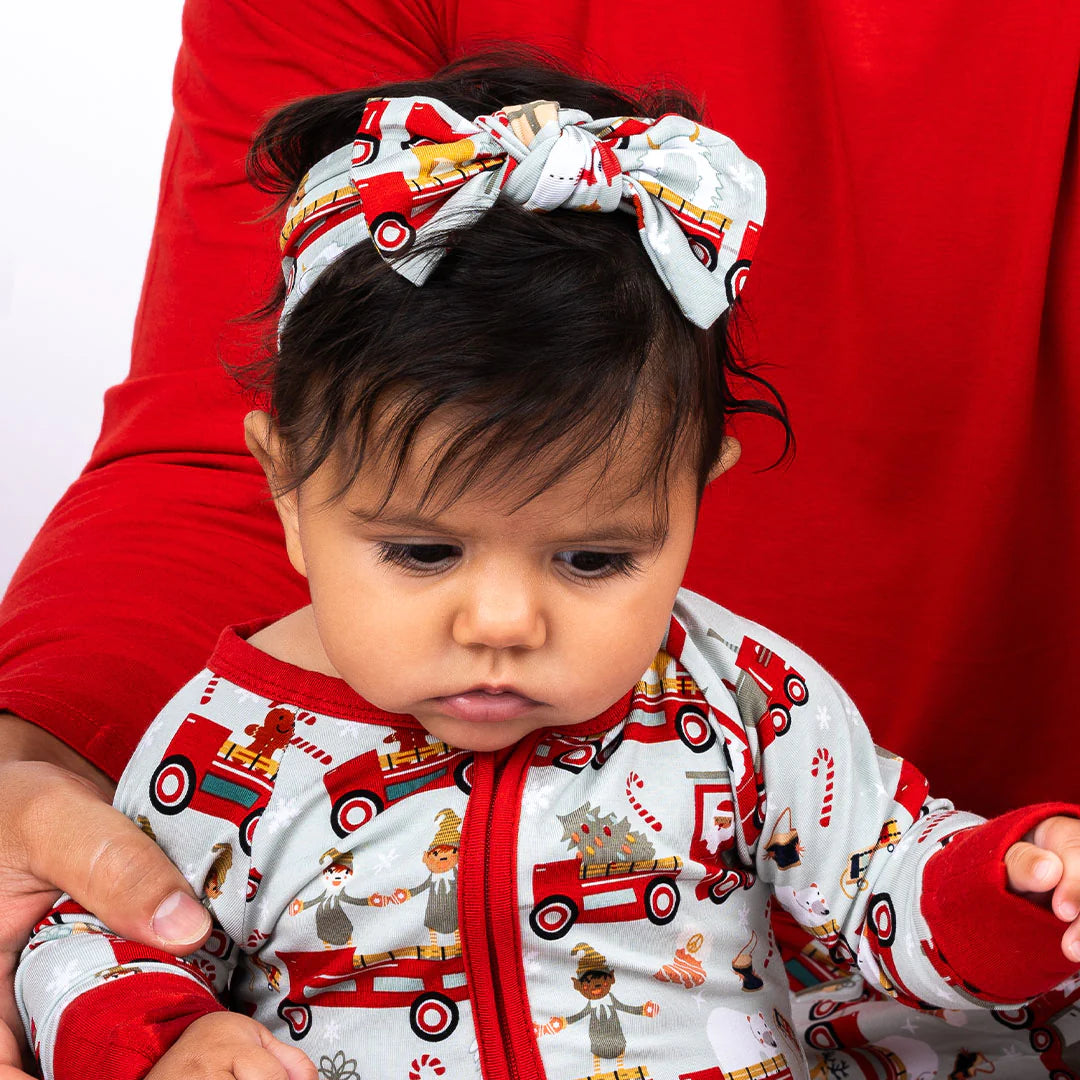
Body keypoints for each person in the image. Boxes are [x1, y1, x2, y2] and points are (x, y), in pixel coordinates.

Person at [14, 57, 1080, 1080]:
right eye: (423, 551)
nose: (504, 619)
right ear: (287, 488)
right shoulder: (229, 745)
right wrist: (160, 1041)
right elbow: (100, 941)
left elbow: (885, 884)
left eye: (593, 557)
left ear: (697, 493)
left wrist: (1021, 890)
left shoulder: (746, 703)